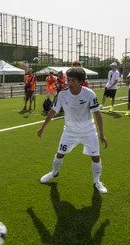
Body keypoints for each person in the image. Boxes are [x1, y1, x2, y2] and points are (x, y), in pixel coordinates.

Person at [37, 66, 108, 194]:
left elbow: (97, 114)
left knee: (95, 157)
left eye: (72, 80)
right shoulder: (62, 94)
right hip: (69, 132)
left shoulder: (89, 94)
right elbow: (53, 111)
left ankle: (97, 181)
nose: (69, 82)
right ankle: (54, 172)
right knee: (60, 154)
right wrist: (43, 128)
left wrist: (102, 135)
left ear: (80, 81)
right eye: (68, 79)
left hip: (88, 132)